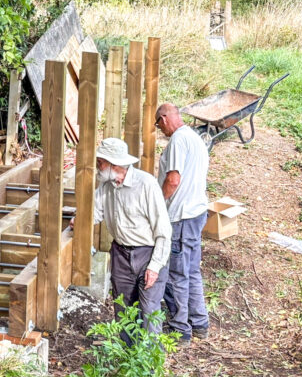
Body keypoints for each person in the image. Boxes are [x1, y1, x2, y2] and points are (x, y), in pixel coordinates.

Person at [72, 138, 171, 342]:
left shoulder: (146, 185)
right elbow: (93, 212)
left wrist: (155, 266)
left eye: (101, 162)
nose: (98, 166)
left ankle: (151, 368)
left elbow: (163, 231)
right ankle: (128, 360)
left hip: (148, 254)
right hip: (121, 254)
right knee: (123, 309)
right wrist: (78, 221)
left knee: (149, 312)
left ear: (114, 164)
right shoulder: (107, 187)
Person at [156, 103, 210, 345]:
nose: (160, 130)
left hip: (181, 216)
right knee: (191, 271)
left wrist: (156, 203)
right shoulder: (195, 138)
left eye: (158, 124)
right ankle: (200, 323)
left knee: (176, 275)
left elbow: (173, 179)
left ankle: (180, 330)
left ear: (165, 118)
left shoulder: (178, 140)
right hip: (197, 213)